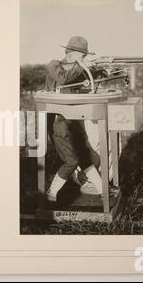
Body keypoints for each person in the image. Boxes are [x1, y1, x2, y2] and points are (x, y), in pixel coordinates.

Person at [44, 35, 104, 202]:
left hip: (74, 121)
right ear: (70, 54)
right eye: (82, 55)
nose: (85, 59)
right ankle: (51, 194)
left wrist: (100, 71)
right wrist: (82, 66)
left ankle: (103, 192)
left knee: (90, 157)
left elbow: (87, 88)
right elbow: (63, 79)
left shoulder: (77, 69)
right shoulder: (54, 65)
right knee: (71, 161)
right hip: (59, 123)